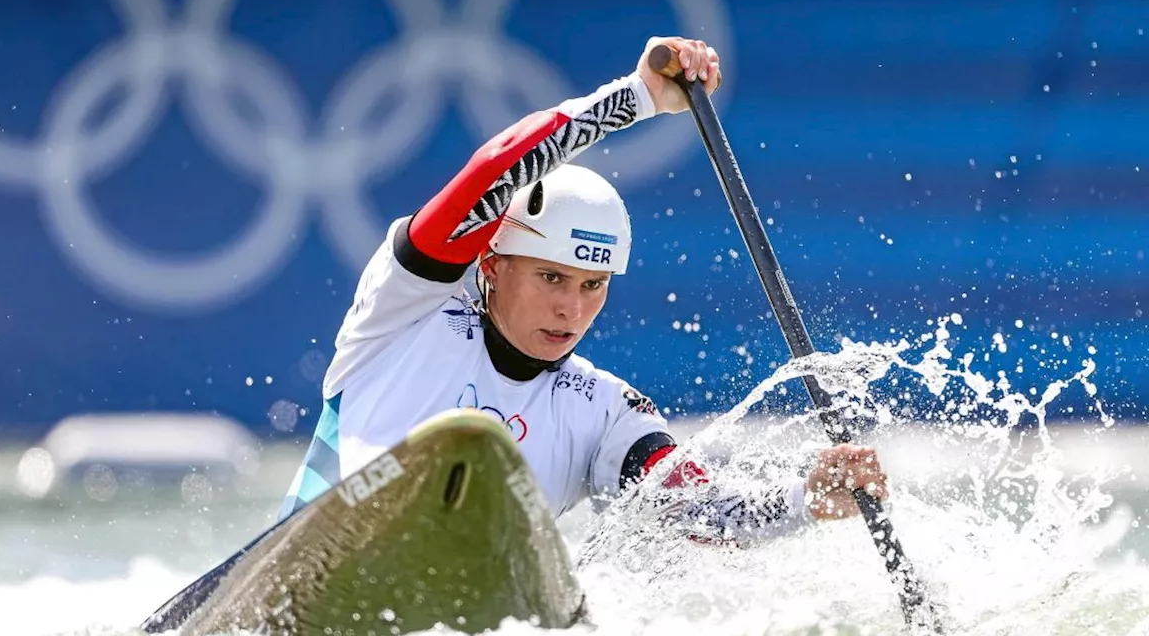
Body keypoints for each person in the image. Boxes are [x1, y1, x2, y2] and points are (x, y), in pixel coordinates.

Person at [279, 35, 891, 544]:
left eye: (593, 285)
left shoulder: (603, 410)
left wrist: (803, 499)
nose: (571, 308)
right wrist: (637, 98)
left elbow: (699, 511)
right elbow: (492, 171)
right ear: (491, 262)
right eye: (551, 277)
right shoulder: (406, 308)